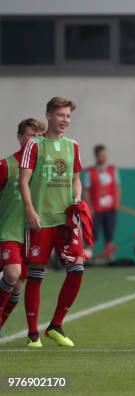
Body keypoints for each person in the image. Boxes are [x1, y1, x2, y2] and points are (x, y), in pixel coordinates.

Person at [19, 97, 87, 348]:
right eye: (61, 115)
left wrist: (77, 198)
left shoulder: (73, 146)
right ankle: (32, 333)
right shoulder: (34, 145)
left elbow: (76, 178)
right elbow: (23, 180)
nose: (65, 120)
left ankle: (56, 324)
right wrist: (30, 210)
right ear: (48, 115)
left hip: (65, 221)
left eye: (68, 116)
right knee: (36, 275)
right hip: (40, 220)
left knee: (77, 269)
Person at [0, 118, 45, 334]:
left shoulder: (45, 169)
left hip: (32, 236)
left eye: (38, 136)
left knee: (17, 285)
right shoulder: (6, 165)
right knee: (12, 273)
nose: (34, 140)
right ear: (20, 138)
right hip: (8, 231)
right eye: (30, 135)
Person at [83, 144, 121, 261]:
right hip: (96, 210)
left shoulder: (112, 170)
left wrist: (116, 203)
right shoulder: (89, 172)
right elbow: (85, 191)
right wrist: (90, 207)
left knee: (109, 236)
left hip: (110, 210)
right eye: (101, 155)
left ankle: (110, 260)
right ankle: (86, 258)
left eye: (105, 155)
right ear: (96, 156)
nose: (104, 157)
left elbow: (117, 187)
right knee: (92, 236)